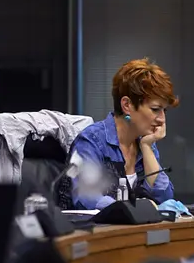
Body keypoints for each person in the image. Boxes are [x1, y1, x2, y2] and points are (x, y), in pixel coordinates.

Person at [61, 58, 180, 210]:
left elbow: (163, 198)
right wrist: (135, 210)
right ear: (127, 105)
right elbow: (88, 198)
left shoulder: (145, 141)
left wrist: (147, 147)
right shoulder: (91, 141)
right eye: (155, 109)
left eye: (164, 110)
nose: (162, 119)